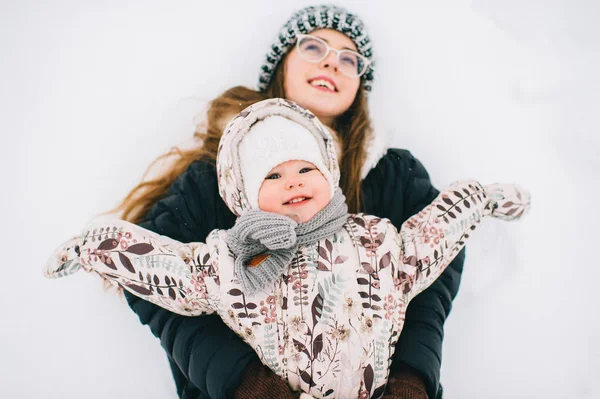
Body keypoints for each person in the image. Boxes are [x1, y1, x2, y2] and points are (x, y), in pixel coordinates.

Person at [99, 4, 471, 399]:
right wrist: (241, 382)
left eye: (349, 59)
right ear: (281, 66)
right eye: (314, 48)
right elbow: (153, 283)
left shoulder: (392, 174)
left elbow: (435, 273)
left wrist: (413, 379)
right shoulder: (217, 176)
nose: (332, 64)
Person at [45, 98, 530, 399]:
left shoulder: (377, 239)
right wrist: (96, 247)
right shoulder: (231, 260)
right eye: (272, 176)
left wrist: (484, 198)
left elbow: (435, 233)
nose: (293, 183)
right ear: (244, 196)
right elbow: (168, 271)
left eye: (305, 170)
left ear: (329, 174)